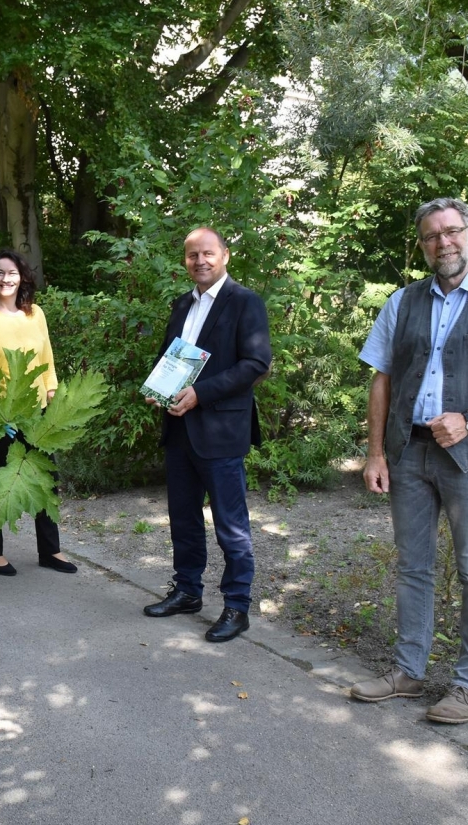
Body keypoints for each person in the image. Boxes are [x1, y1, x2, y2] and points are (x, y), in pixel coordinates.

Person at [349, 197, 468, 723]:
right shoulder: (404, 301)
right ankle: (408, 672)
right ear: (422, 244)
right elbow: (382, 377)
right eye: (433, 236)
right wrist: (374, 453)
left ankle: (467, 686)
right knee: (413, 567)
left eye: (452, 232)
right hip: (408, 451)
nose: (444, 243)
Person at [142, 227, 271, 643]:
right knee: (182, 517)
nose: (200, 261)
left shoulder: (245, 302)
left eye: (208, 253)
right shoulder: (182, 304)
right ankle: (187, 591)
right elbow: (171, 357)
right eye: (192, 255)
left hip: (220, 430)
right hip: (179, 426)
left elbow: (255, 364)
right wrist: (158, 389)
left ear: (225, 256)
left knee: (230, 525)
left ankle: (237, 606)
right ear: (185, 260)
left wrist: (200, 394)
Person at [0, 249, 77, 577]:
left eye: (11, 273)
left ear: (22, 277)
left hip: (36, 412)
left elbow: (47, 355)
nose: (6, 279)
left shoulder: (35, 313)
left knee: (45, 480)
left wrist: (51, 389)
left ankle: (50, 550)